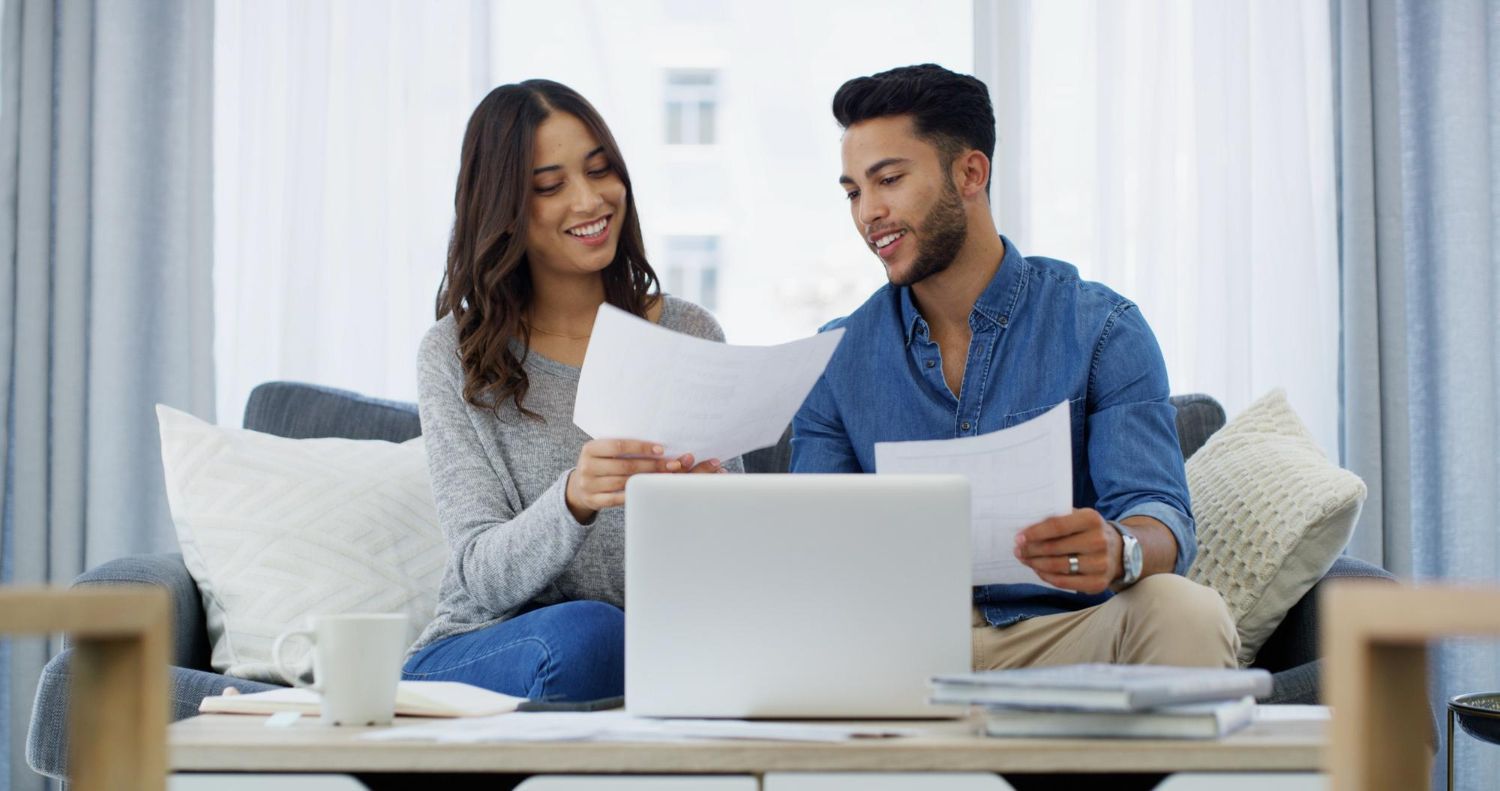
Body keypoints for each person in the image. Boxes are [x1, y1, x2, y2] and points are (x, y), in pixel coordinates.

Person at [793, 64, 1238, 670]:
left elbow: (1159, 513)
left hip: (1061, 634)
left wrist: (1119, 548)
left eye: (889, 180)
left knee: (1185, 609)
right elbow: (814, 548)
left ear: (971, 173)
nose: (868, 213)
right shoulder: (834, 358)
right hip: (902, 649)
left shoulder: (1101, 329)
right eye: (853, 192)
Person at [404, 79, 738, 701]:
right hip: (494, 649)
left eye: (601, 170)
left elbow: (733, 570)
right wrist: (576, 498)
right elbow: (481, 577)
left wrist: (714, 506)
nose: (590, 200)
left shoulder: (689, 333)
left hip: (655, 650)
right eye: (551, 186)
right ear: (504, 206)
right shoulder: (455, 352)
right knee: (590, 636)